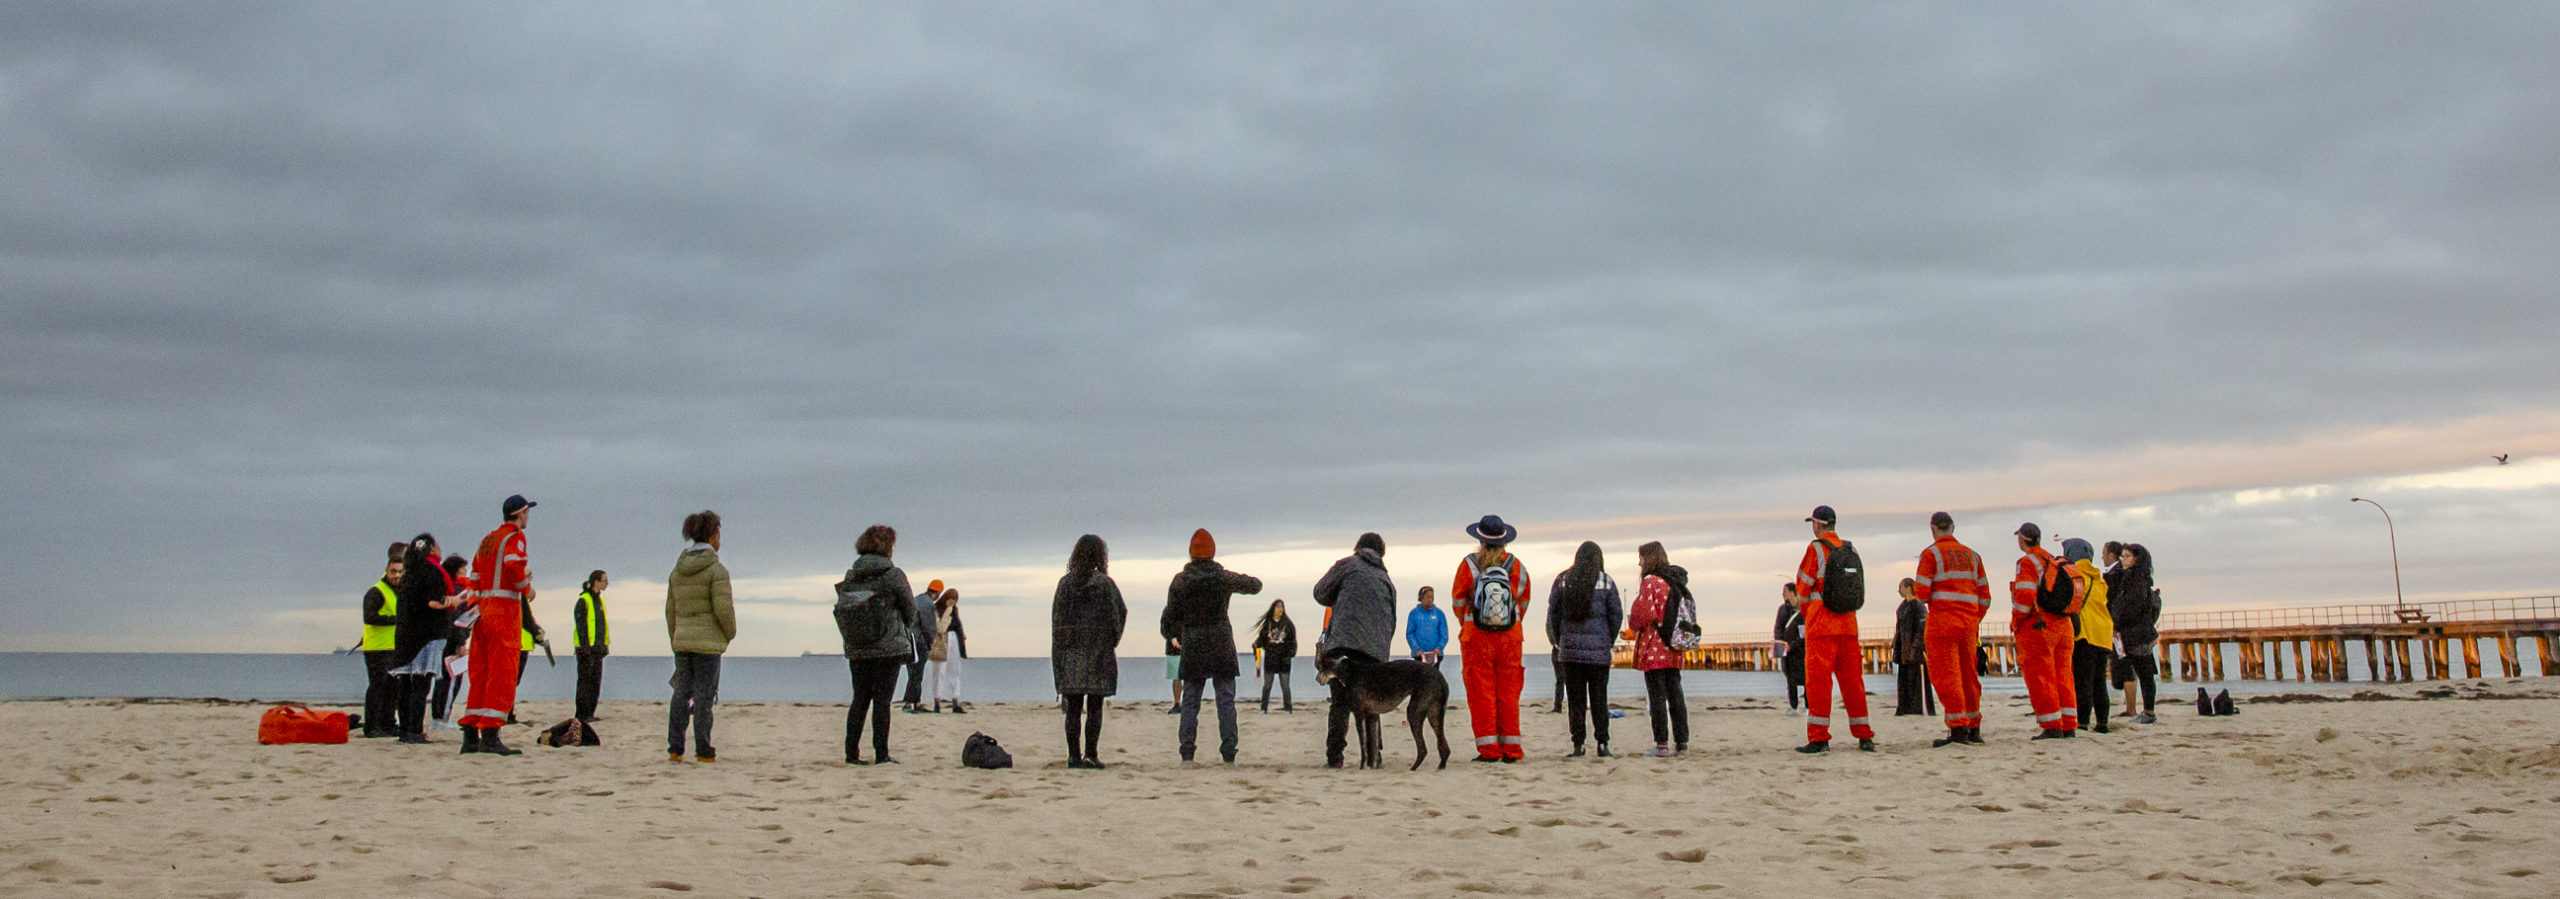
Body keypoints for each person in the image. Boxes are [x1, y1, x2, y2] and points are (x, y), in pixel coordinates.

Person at [1161, 528, 1263, 766]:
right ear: (1212, 553)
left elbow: (1169, 618)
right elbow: (1255, 585)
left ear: (1191, 554)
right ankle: (1229, 754)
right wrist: (1240, 579)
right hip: (1220, 641)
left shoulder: (1181, 581)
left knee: (1190, 699)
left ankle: (1187, 754)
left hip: (1194, 642)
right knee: (1225, 699)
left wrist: (1174, 634)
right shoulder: (1222, 577)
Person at [459, 495, 537, 756]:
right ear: (519, 514)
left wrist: (476, 604)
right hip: (503, 612)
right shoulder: (514, 537)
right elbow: (514, 568)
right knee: (502, 673)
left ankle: (471, 733)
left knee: (480, 672)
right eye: (526, 512)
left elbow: (474, 577)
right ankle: (491, 734)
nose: (528, 517)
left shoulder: (487, 540)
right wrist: (527, 588)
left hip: (481, 611)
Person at [1793, 505, 1874, 754]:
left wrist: (1807, 613)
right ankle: (1864, 736)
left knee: (1819, 684)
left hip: (1822, 625)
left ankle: (1819, 738)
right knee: (1853, 683)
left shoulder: (1815, 549)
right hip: (1848, 625)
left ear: (1817, 524)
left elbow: (1802, 587)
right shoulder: (1849, 549)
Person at [1452, 515, 1531, 762]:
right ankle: (1512, 749)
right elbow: (1524, 601)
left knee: (1481, 693)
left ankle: (1489, 750)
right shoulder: (1516, 566)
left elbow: (1458, 601)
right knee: (1509, 693)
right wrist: (1509, 623)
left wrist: (1470, 621)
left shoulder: (1469, 565)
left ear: (1480, 540)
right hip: (1510, 637)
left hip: (1476, 636)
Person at [1314, 532, 1398, 765]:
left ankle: (1335, 757)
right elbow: (1392, 622)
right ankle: (1374, 756)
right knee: (1370, 704)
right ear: (1381, 553)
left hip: (1342, 643)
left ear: (1358, 547)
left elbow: (1319, 592)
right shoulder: (1386, 580)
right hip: (1374, 650)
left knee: (1340, 701)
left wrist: (1339, 598)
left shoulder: (1346, 566)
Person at [837, 523, 916, 765]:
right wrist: (901, 628)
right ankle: (881, 754)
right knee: (882, 701)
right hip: (887, 646)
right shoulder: (893, 575)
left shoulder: (852, 575)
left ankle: (851, 753)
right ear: (888, 547)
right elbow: (910, 608)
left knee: (859, 699)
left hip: (857, 645)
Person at [1912, 511, 1991, 747]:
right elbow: (1985, 596)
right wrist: (1973, 618)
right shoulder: (1973, 556)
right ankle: (1974, 726)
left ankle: (1958, 730)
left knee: (1948, 677)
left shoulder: (1931, 554)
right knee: (1969, 675)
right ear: (1953, 527)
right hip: (1968, 625)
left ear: (1933, 528)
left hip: (1942, 623)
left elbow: (1922, 592)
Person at [665, 509, 735, 762]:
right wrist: (729, 634)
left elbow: (670, 611)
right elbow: (723, 609)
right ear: (713, 536)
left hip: (682, 641)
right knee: (705, 697)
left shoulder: (677, 571)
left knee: (681, 693)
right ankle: (703, 748)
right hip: (708, 643)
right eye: (719, 534)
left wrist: (676, 637)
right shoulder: (717, 571)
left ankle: (675, 748)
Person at [1051, 534, 1127, 769]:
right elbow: (1119, 615)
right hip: (1098, 651)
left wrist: (1061, 652)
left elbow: (1057, 621)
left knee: (1073, 708)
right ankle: (1091, 754)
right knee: (1094, 706)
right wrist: (1110, 641)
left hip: (1071, 652)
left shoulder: (1064, 584)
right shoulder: (1105, 584)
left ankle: (1074, 756)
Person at [1547, 541, 1623, 759]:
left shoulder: (1563, 580)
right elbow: (1615, 614)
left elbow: (1553, 613)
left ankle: (1578, 744)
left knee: (1575, 700)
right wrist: (1607, 639)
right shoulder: (1606, 581)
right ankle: (1602, 743)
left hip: (1570, 650)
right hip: (1598, 652)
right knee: (1599, 698)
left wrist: (1557, 640)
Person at [2010, 522, 2079, 740]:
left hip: (2040, 625)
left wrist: (2016, 622)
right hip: (2064, 625)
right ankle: (2069, 724)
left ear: (2022, 539)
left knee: (2041, 676)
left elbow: (2024, 598)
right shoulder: (2053, 560)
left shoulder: (2028, 562)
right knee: (2064, 676)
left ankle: (2051, 725)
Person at [1624, 541, 1691, 758]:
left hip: (1654, 646)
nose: (1639, 562)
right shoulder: (1674, 580)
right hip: (1674, 645)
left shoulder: (1650, 582)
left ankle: (1661, 744)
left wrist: (1632, 627)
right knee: (1675, 694)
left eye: (1641, 558)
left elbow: (1642, 615)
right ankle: (1682, 743)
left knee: (1657, 697)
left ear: (1649, 559)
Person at [390, 534, 458, 744]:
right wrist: (453, 600)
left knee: (406, 685)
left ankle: (405, 729)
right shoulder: (432, 571)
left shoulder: (409, 573)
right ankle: (415, 731)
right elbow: (433, 602)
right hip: (427, 636)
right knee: (421, 684)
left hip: (405, 635)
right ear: (431, 549)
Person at [2064, 538, 2114, 734]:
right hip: (2103, 633)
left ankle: (2083, 722)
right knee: (2100, 681)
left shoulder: (2074, 575)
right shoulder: (2099, 578)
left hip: (2085, 633)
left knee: (2082, 680)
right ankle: (2102, 723)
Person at [2110, 543, 2162, 724]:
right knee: (2142, 671)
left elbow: (2131, 608)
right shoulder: (2130, 578)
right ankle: (2147, 712)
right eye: (2121, 556)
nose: (2122, 560)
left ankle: (2149, 712)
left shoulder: (2138, 581)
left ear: (2136, 559)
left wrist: (2115, 621)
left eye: (2127, 557)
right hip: (2133, 633)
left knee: (2145, 672)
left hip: (2138, 634)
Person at [359, 544, 406, 739]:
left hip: (393, 648)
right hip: (377, 649)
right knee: (378, 688)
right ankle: (372, 726)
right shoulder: (376, 592)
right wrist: (396, 619)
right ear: (386, 571)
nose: (397, 575)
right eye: (393, 572)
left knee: (392, 690)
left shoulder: (400, 592)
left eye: (400, 572)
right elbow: (369, 617)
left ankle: (388, 724)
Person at [571, 570, 609, 723]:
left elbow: (602, 625)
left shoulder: (600, 601)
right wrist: (584, 647)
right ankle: (581, 713)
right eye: (605, 580)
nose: (607, 583)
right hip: (586, 649)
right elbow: (581, 625)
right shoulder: (584, 600)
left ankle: (590, 712)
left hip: (598, 648)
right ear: (596, 582)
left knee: (595, 682)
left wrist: (605, 645)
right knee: (585, 682)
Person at [1892, 578, 1933, 717]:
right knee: (1904, 681)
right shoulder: (1902, 607)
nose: (1899, 590)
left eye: (1901, 587)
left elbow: (1922, 630)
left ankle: (1920, 709)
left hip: (1916, 651)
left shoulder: (1919, 606)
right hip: (1904, 651)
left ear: (1908, 588)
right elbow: (1899, 630)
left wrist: (1916, 648)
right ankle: (1904, 708)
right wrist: (1896, 649)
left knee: (1918, 681)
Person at [1250, 600, 1298, 714]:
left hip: (1284, 660)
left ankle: (1288, 708)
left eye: (1282, 607)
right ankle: (1263, 708)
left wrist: (1291, 654)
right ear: (1273, 608)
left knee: (1285, 686)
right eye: (1278, 607)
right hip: (1270, 659)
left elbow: (1293, 641)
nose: (1280, 609)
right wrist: (1256, 647)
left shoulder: (1288, 624)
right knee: (1267, 685)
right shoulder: (1267, 624)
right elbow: (1261, 640)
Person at [902, 580, 942, 713]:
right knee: (917, 674)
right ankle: (910, 703)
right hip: (918, 641)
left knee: (912, 673)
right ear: (937, 592)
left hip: (908, 639)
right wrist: (931, 644)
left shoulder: (917, 599)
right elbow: (928, 627)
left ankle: (914, 702)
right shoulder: (928, 604)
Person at [929, 589, 969, 713]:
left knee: (954, 671)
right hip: (941, 640)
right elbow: (940, 627)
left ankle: (955, 700)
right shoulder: (937, 609)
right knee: (939, 671)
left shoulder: (953, 610)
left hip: (953, 639)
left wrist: (962, 640)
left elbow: (958, 626)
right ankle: (937, 701)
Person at [1772, 586, 1806, 714]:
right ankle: (1793, 706)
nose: (1783, 594)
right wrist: (1779, 644)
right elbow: (1778, 628)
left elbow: (1804, 635)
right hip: (1786, 650)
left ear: (1792, 593)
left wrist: (1792, 645)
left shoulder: (1803, 609)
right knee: (1789, 679)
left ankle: (1807, 707)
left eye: (1785, 592)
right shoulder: (1782, 609)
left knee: (1806, 679)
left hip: (1801, 651)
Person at [1406, 587, 1448, 665]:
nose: (1430, 599)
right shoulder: (1414, 614)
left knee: (1433, 676)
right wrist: (1416, 649)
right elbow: (1410, 633)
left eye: (1432, 597)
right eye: (1428, 597)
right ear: (1421, 598)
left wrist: (1439, 648)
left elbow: (1444, 634)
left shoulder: (1439, 613)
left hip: (1436, 654)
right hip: (1419, 655)